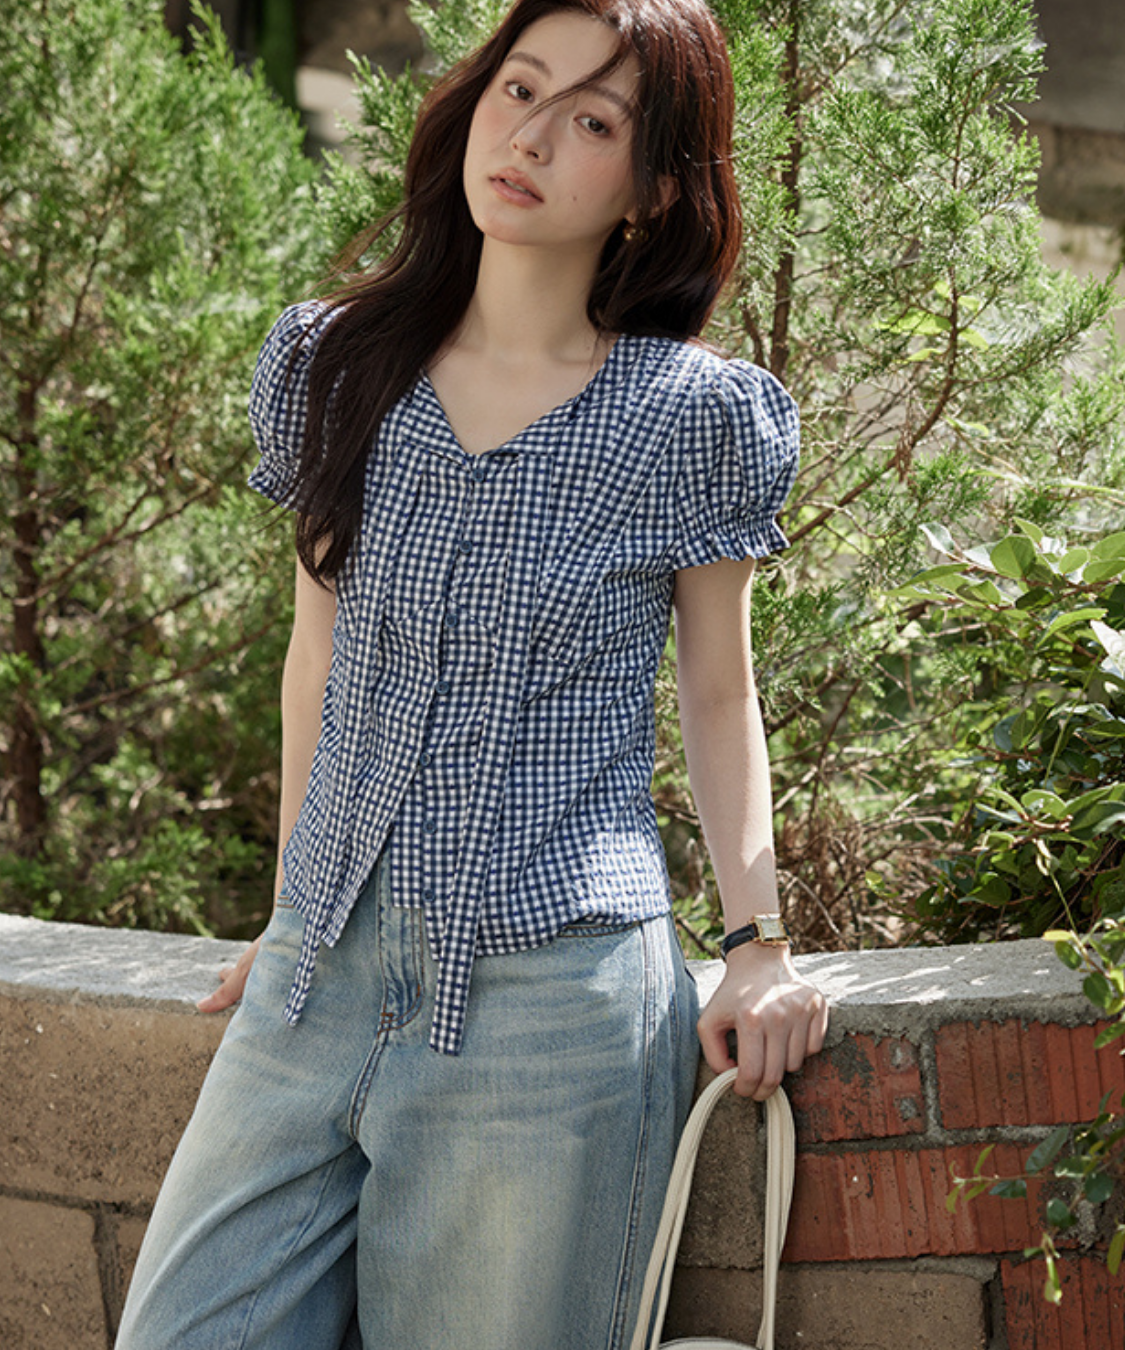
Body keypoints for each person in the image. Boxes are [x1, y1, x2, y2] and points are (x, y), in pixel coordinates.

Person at [115, 0, 828, 1346]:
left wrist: (757, 948)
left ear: (655, 189)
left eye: (594, 121)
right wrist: (294, 907)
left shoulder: (693, 417)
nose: (532, 136)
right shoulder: (338, 364)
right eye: (519, 88)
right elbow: (317, 658)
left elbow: (718, 693)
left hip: (548, 1000)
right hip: (317, 978)